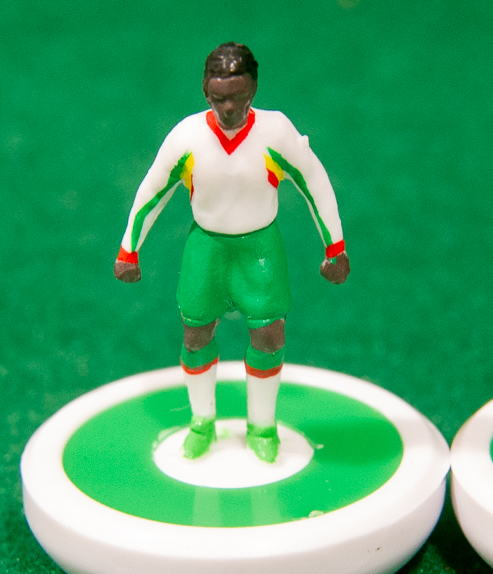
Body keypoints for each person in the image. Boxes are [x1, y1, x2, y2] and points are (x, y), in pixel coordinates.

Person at [115, 42, 350, 463]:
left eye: (238, 97)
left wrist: (336, 247)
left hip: (259, 250)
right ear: (206, 92)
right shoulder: (187, 137)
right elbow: (153, 190)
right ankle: (201, 421)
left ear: (253, 89)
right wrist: (128, 250)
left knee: (269, 335)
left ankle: (262, 425)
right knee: (195, 334)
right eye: (219, 98)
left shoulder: (275, 133)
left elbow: (314, 181)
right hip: (206, 250)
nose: (229, 108)